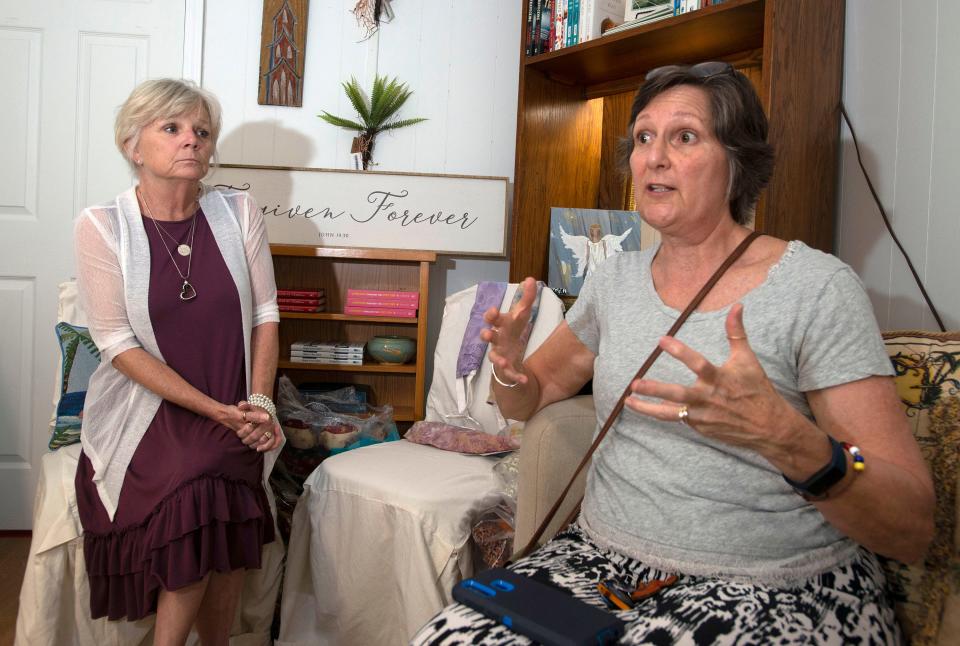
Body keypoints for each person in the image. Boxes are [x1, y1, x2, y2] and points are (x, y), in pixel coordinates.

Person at [412, 62, 935, 644]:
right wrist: (508, 371)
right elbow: (530, 396)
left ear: (738, 163)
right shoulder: (614, 280)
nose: (653, 157)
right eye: (643, 138)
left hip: (774, 586)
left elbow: (910, 526)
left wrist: (789, 440)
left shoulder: (816, 287)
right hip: (602, 568)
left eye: (684, 136)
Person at [73, 78, 283, 645]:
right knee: (201, 478)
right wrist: (218, 412)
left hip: (237, 405)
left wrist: (260, 405)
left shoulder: (238, 211)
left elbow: (266, 314)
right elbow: (117, 344)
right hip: (149, 412)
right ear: (133, 146)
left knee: (224, 469)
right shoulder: (103, 225)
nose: (191, 139)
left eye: (201, 131)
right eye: (171, 128)